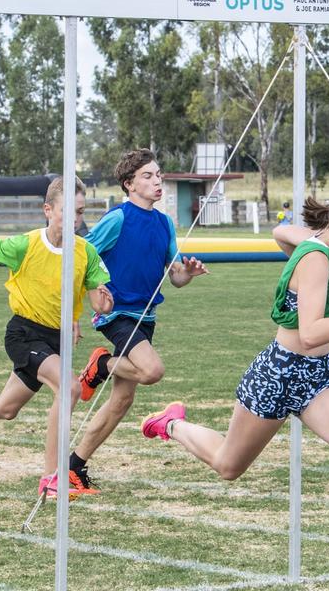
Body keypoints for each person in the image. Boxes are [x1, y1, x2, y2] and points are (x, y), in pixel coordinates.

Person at [140, 188, 329, 588]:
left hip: (320, 374)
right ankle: (172, 424)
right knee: (229, 466)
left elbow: (281, 234)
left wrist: (302, 242)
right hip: (280, 372)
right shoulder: (317, 260)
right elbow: (311, 333)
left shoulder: (327, 245)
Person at [0, 177, 114, 500]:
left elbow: (96, 300)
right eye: (67, 211)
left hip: (54, 341)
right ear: (48, 210)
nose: (74, 219)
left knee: (6, 408)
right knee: (69, 388)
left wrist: (101, 303)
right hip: (24, 334)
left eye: (80, 212)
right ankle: (51, 477)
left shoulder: (86, 252)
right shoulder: (26, 244)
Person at [72, 149, 208, 496]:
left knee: (121, 401)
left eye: (158, 174)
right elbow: (81, 255)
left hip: (146, 316)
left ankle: (74, 468)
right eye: (147, 176)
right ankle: (101, 363)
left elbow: (174, 277)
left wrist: (188, 274)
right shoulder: (118, 218)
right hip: (116, 313)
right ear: (128, 184)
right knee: (152, 371)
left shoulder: (164, 223)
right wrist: (92, 292)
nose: (157, 180)